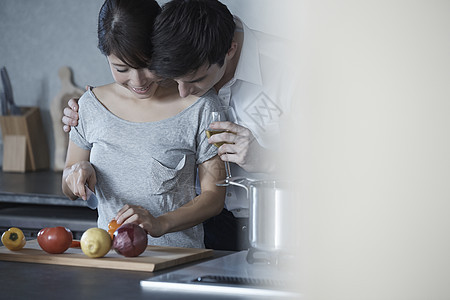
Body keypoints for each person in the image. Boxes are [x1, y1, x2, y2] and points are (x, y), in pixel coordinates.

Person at [62, 0, 297, 251]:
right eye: (173, 79)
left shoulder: (293, 70)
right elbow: (69, 178)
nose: (183, 92)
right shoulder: (95, 103)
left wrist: (267, 160)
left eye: (195, 79)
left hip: (281, 228)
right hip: (207, 231)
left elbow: (338, 166)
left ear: (230, 50)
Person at [62, 0, 226, 249]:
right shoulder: (89, 106)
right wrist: (76, 175)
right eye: (121, 68)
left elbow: (214, 197)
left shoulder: (201, 105)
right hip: (110, 262)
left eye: (148, 65)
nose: (138, 80)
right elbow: (67, 186)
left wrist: (160, 223)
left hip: (179, 261)